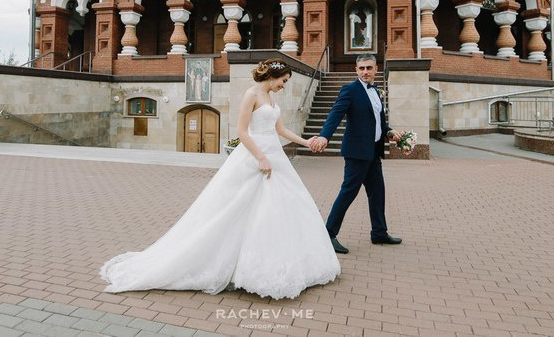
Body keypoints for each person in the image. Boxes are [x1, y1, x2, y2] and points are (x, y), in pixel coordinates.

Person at [100, 59, 340, 299]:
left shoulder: (270, 97)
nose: (283, 86)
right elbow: (242, 132)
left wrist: (306, 142)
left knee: (279, 208)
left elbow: (280, 130)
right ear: (272, 76)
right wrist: (261, 158)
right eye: (283, 81)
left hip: (275, 156)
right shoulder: (251, 94)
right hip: (255, 157)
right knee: (235, 208)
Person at [310, 53, 403, 254]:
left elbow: (380, 123)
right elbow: (335, 114)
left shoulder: (377, 92)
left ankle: (379, 232)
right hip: (356, 152)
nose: (365, 72)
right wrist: (325, 136)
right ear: (356, 70)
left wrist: (390, 133)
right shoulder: (350, 90)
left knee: (377, 193)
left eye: (369, 68)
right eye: (361, 68)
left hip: (374, 151)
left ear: (376, 69)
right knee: (348, 192)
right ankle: (328, 234)